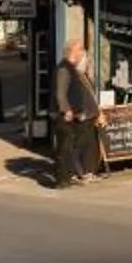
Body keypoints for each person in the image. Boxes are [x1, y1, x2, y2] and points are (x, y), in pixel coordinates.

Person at [53, 40, 99, 189]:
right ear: (73, 51)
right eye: (80, 50)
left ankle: (69, 176)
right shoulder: (64, 69)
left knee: (72, 145)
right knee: (66, 147)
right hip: (68, 115)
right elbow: (61, 93)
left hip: (75, 114)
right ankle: (63, 179)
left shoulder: (72, 68)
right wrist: (66, 110)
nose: (82, 53)